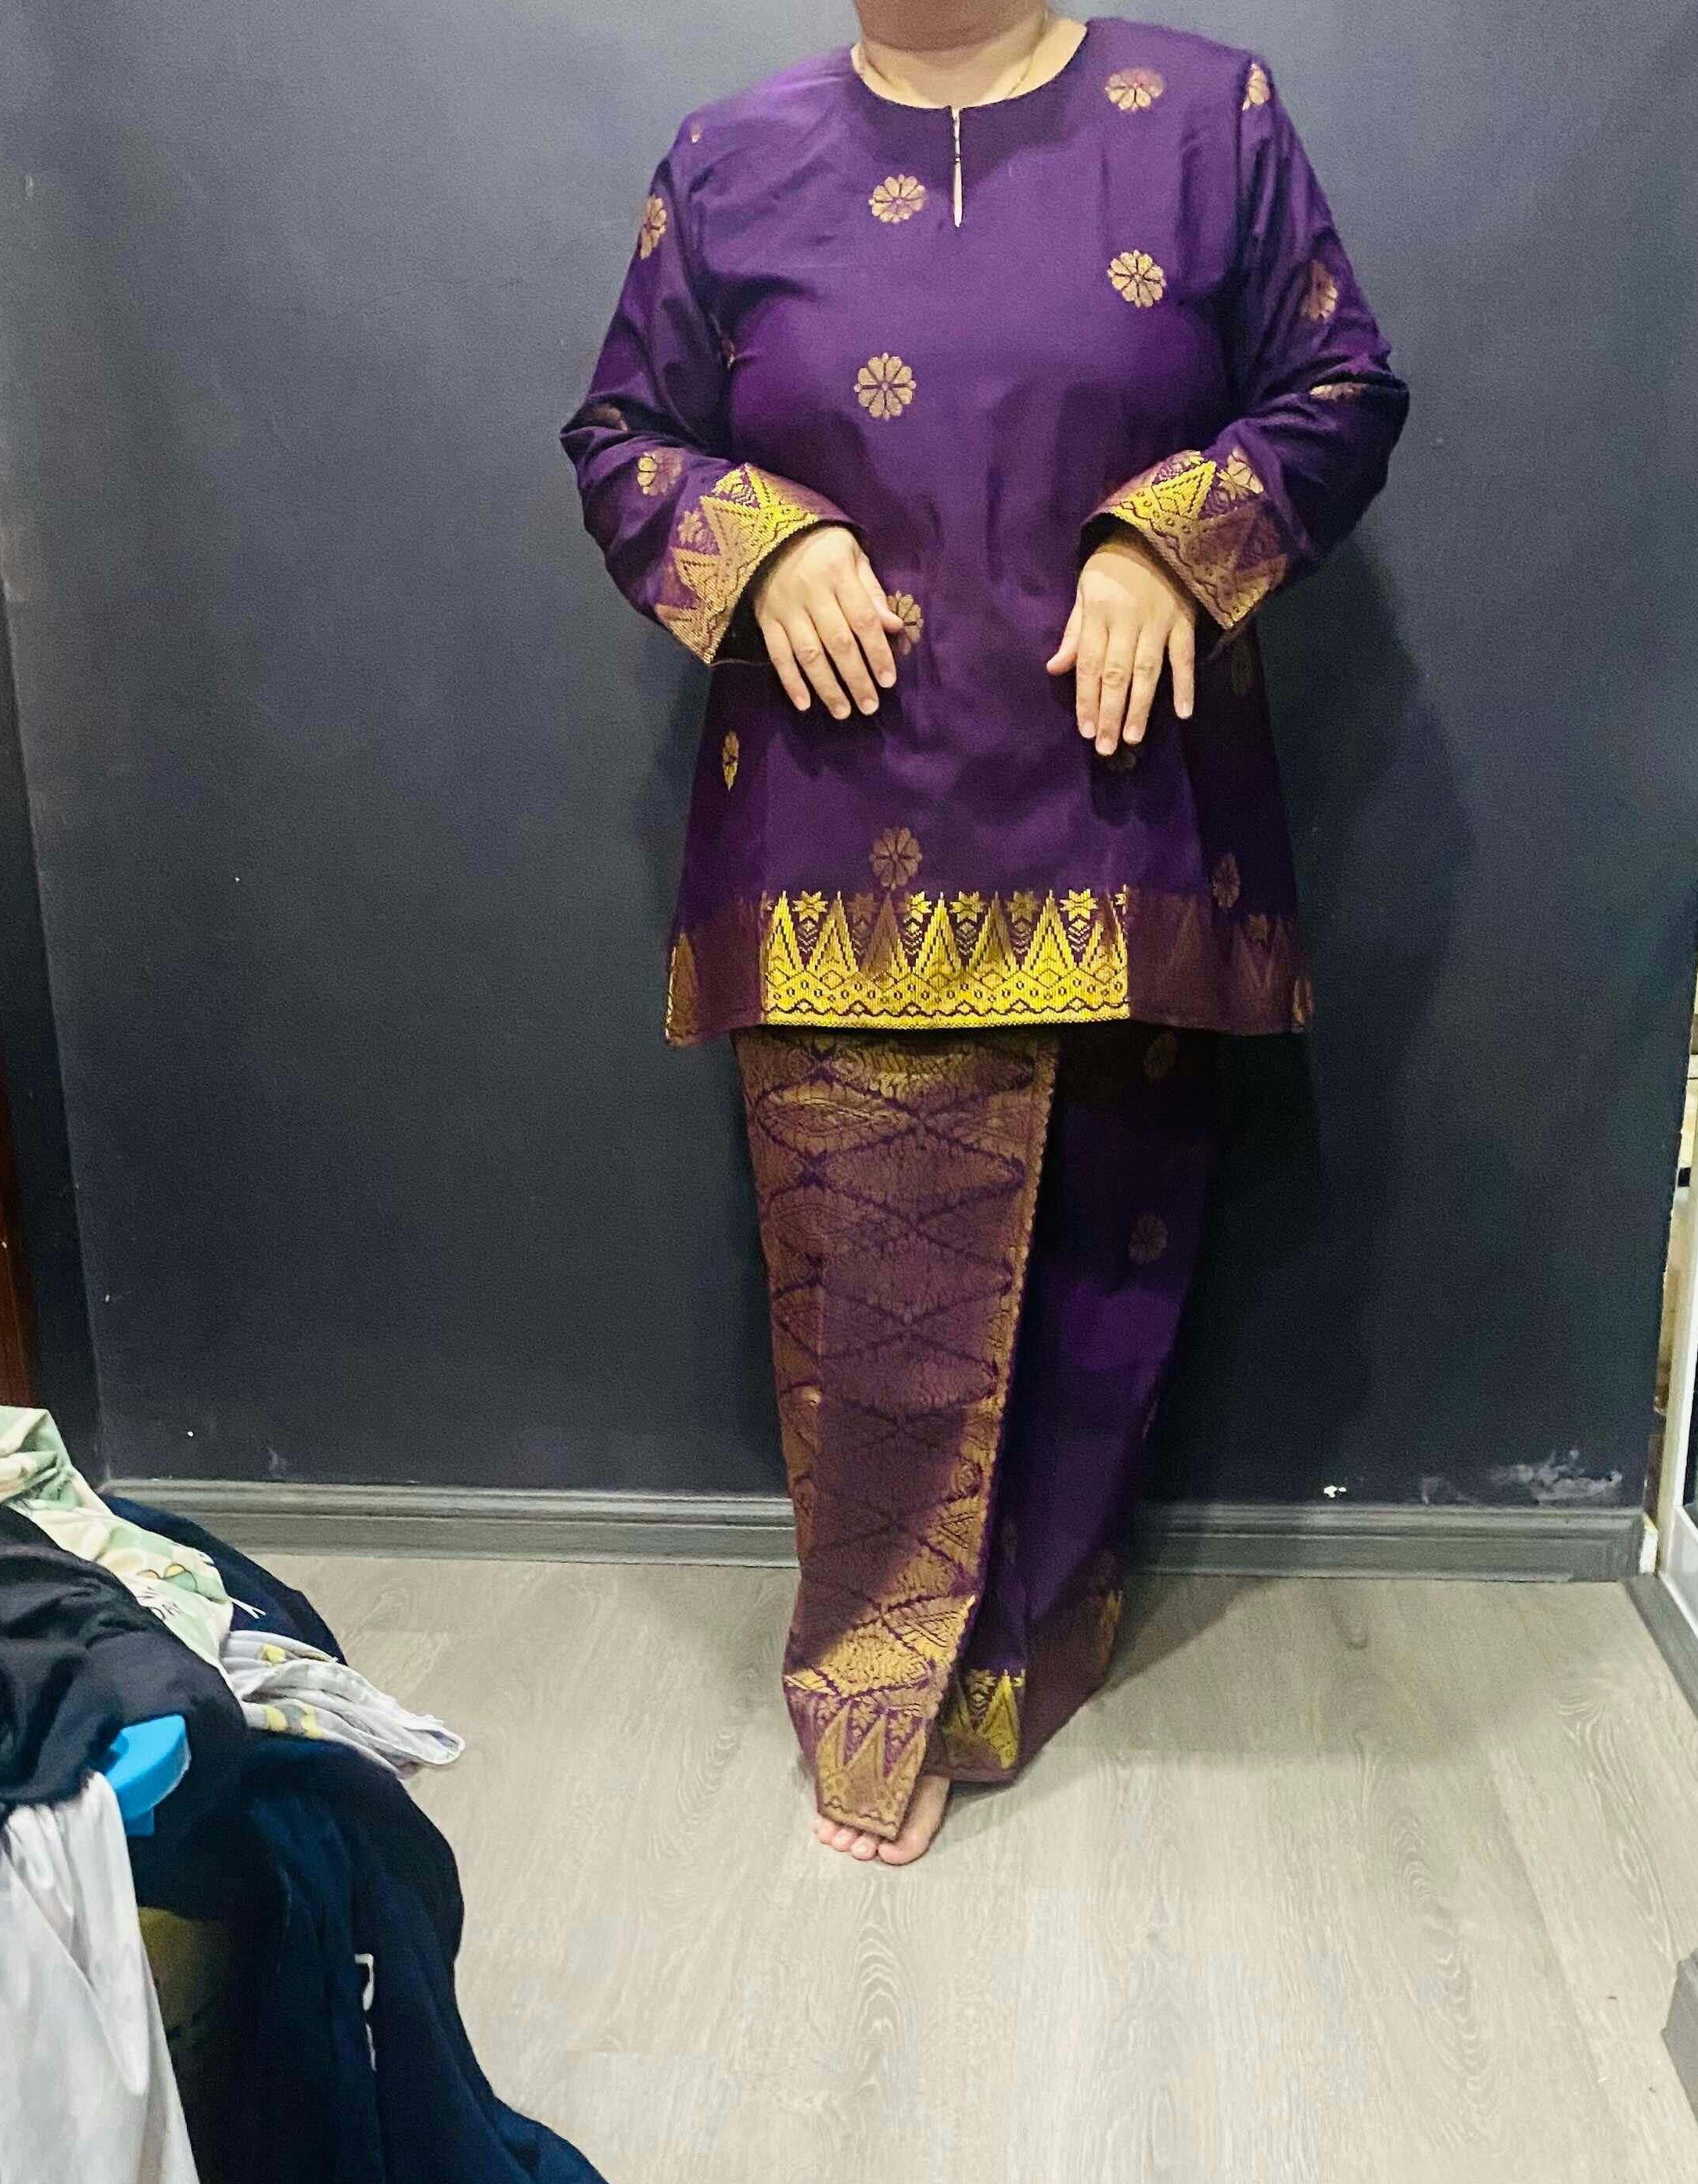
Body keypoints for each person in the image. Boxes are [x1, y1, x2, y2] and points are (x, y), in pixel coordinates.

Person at [564, 9, 1407, 1865]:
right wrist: (761, 541)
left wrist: (1170, 541)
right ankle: (882, 1691)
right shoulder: (731, 161)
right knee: (867, 1288)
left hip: (1125, 824)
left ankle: (1021, 1658)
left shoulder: (1207, 120)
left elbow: (1340, 388)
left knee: (1106, 1273)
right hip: (838, 849)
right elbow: (621, 438)